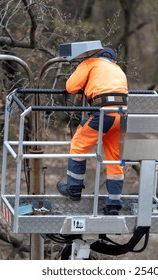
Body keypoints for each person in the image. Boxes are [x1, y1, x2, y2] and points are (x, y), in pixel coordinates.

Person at [57, 47, 128, 215]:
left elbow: (71, 87)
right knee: (114, 157)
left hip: (104, 112)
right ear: (113, 60)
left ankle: (73, 188)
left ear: (99, 56)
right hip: (123, 115)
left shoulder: (90, 62)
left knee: (78, 145)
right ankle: (114, 203)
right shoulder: (118, 70)